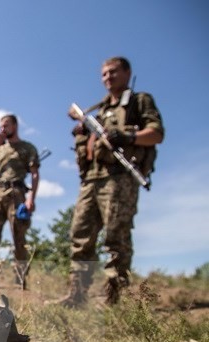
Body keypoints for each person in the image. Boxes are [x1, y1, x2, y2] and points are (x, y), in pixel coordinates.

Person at [62, 56, 164, 307]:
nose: (108, 77)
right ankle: (77, 296)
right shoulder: (98, 110)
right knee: (80, 236)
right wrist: (82, 132)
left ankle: (114, 298)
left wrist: (127, 135)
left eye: (114, 72)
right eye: (104, 74)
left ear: (128, 73)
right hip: (91, 179)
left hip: (119, 178)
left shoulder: (139, 101)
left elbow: (156, 134)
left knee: (116, 238)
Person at [0, 114, 40, 289]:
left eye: (6, 125)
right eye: (1, 126)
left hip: (17, 193)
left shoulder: (27, 147)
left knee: (18, 238)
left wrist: (31, 199)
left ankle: (20, 281)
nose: (2, 129)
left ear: (15, 126)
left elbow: (35, 173)